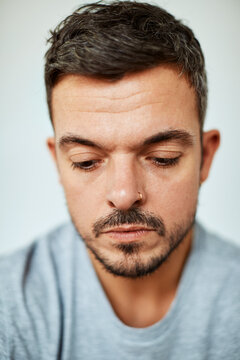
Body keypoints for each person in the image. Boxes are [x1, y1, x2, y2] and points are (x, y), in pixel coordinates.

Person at [0, 1, 239, 359]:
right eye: (86, 162)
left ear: (206, 156)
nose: (124, 194)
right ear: (57, 163)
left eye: (163, 158)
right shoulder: (10, 306)